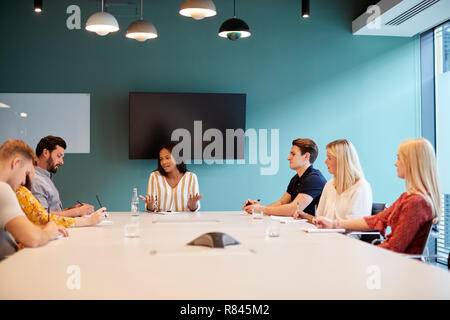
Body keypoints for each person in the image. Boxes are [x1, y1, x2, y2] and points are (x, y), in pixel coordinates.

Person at [316, 138, 441, 254]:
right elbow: (375, 220)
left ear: (412, 163)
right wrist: (333, 224)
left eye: (398, 158)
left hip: (403, 268)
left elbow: (394, 248)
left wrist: (365, 254)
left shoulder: (416, 202)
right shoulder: (409, 197)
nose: (395, 163)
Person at [0, 139, 68, 258]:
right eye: (26, 173)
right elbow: (32, 239)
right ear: (16, 163)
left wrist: (41, 228)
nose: (23, 182)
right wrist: (49, 231)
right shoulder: (3, 189)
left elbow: (16, 231)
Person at [242, 138, 327, 217]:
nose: (288, 158)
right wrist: (256, 208)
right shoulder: (296, 178)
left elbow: (293, 209)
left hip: (314, 230)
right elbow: (281, 202)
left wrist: (261, 209)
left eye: (293, 154)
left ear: (306, 156)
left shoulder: (314, 179)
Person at [294, 139, 372, 223]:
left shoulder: (361, 187)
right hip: (326, 234)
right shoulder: (330, 185)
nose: (325, 161)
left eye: (329, 158)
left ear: (341, 160)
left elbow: (355, 226)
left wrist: (330, 226)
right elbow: (320, 219)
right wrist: (305, 216)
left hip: (346, 236)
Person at [15, 159, 107, 227]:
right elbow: (44, 218)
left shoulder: (20, 191)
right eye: (30, 171)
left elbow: (41, 215)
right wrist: (88, 221)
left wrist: (72, 210)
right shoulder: (21, 192)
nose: (27, 179)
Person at [31, 136, 94, 217]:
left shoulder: (45, 177)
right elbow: (44, 216)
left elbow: (52, 211)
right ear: (45, 152)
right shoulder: (36, 180)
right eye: (58, 156)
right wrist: (77, 212)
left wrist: (72, 209)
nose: (61, 162)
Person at [140, 142, 202, 212]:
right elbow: (151, 209)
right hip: (160, 221)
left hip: (184, 221)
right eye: (161, 159)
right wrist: (150, 206)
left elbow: (194, 209)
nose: (163, 162)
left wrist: (193, 206)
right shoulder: (154, 176)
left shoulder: (191, 177)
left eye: (167, 158)